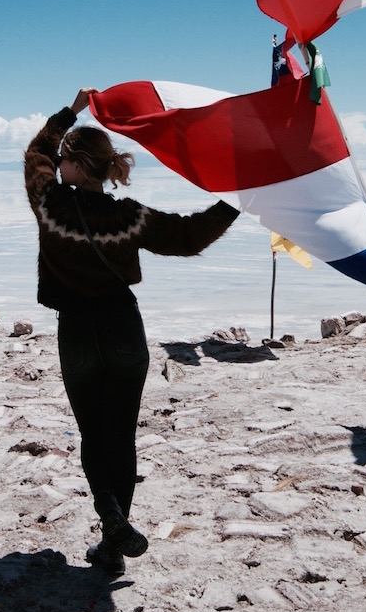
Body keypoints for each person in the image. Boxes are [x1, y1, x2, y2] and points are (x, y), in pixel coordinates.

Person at [25, 87, 240, 575]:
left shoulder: (49, 204)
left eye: (65, 160)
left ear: (78, 166)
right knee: (120, 436)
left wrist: (72, 109)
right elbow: (188, 237)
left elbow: (36, 151)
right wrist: (236, 203)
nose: (57, 165)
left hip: (77, 329)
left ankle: (109, 513)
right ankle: (112, 538)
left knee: (92, 434)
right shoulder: (129, 215)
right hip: (124, 327)